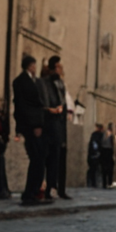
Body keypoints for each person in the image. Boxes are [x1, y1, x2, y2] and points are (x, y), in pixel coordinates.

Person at [11, 55, 52, 206]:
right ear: (29, 66)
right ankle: (30, 193)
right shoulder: (22, 82)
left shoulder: (33, 81)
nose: (35, 68)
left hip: (36, 124)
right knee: (36, 159)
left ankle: (34, 191)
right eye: (33, 65)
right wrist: (36, 125)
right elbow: (25, 106)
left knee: (39, 159)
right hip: (32, 126)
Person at [42, 55, 71, 199]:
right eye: (59, 67)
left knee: (60, 159)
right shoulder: (46, 83)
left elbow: (63, 103)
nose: (61, 70)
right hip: (50, 126)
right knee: (50, 160)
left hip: (60, 126)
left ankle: (61, 189)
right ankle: (49, 188)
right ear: (53, 68)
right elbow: (46, 104)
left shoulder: (61, 84)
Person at [87, 121, 113, 189]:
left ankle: (97, 183)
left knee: (97, 169)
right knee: (97, 169)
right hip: (99, 153)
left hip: (98, 154)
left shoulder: (98, 134)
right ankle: (99, 183)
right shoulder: (99, 134)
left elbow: (94, 144)